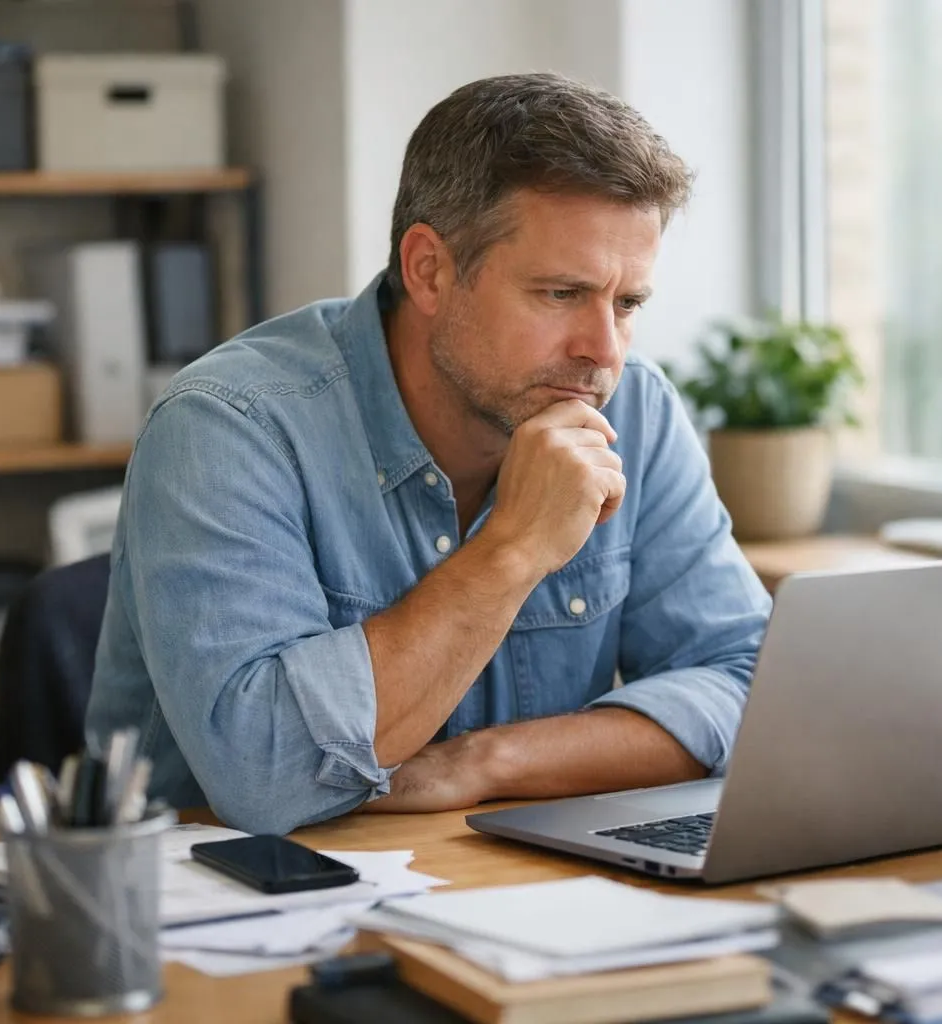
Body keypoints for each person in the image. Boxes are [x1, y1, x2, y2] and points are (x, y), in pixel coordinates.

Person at [85, 72, 772, 833]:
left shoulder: (633, 407)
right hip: (219, 910)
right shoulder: (226, 426)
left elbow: (754, 685)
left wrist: (487, 762)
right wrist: (513, 548)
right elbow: (265, 779)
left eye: (628, 302)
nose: (602, 352)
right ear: (429, 270)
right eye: (558, 294)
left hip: (495, 886)